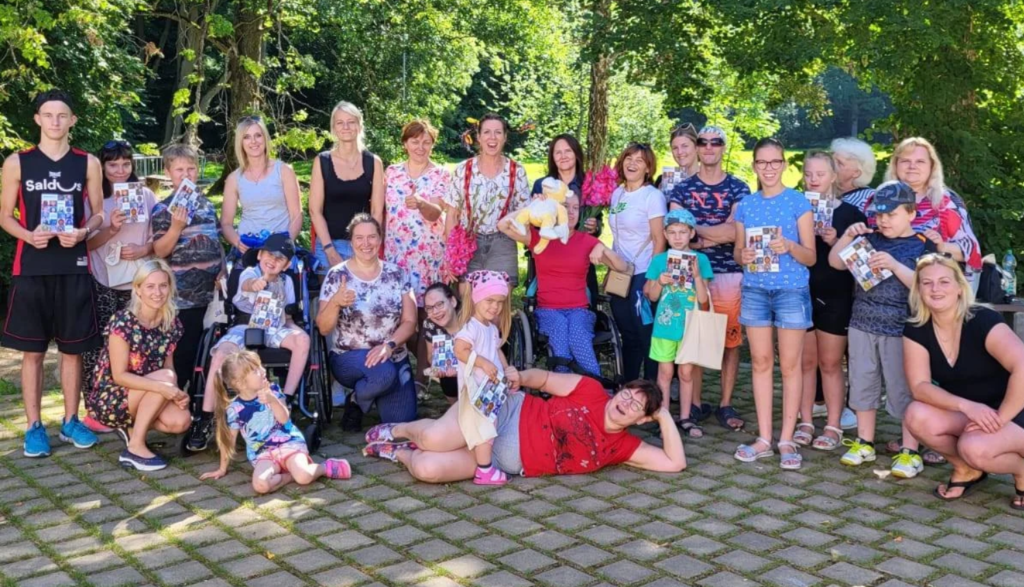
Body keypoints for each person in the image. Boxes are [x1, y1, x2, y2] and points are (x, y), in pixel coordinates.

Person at [0, 90, 105, 457]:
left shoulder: (88, 163)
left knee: (72, 350)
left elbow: (98, 214)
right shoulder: (18, 162)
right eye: (48, 115)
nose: (55, 121)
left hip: (73, 266)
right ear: (37, 119)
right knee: (32, 352)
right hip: (32, 268)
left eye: (62, 115)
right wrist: (29, 235)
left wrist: (84, 231)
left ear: (72, 120)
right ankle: (33, 426)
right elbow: (4, 217)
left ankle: (71, 420)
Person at [361, 370, 685, 480]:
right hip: (505, 411)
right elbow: (543, 379)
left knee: (427, 469)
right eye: (627, 393)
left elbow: (675, 463)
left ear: (642, 419)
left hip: (499, 461)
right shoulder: (591, 390)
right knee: (433, 439)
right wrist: (519, 377)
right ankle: (400, 429)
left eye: (637, 406)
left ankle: (397, 452)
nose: (626, 403)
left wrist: (664, 415)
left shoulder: (624, 447)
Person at [827, 181, 938, 478]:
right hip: (862, 323)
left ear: (911, 213)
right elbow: (835, 262)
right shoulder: (869, 238)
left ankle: (910, 450)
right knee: (862, 383)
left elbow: (927, 286)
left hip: (902, 330)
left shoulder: (923, 245)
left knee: (903, 389)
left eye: (891, 214)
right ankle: (864, 442)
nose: (884, 220)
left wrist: (895, 266)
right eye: (879, 214)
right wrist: (847, 236)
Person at [902, 255, 1024, 507]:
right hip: (974, 411)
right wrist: (967, 407)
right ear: (918, 289)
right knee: (916, 415)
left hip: (1015, 408)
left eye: (944, 281)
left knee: (974, 447)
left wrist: (1000, 419)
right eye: (927, 283)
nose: (935, 289)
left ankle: (1021, 471)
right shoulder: (916, 328)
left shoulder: (982, 319)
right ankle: (967, 469)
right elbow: (920, 387)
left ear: (959, 287)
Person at [732, 138, 815, 470]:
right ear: (754, 166)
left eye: (774, 162)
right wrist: (743, 255)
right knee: (760, 363)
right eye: (762, 162)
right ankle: (765, 438)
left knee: (791, 366)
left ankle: (787, 439)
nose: (768, 168)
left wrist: (790, 246)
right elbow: (738, 252)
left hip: (791, 291)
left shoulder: (798, 202)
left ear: (784, 164)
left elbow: (811, 256)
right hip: (755, 290)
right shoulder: (746, 205)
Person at [186, 235, 310, 452]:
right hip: (245, 326)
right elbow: (247, 285)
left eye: (280, 258)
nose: (273, 260)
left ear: (286, 265)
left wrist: (300, 333)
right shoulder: (250, 273)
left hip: (275, 327)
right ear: (260, 255)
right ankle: (205, 417)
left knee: (303, 340)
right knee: (220, 355)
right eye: (270, 254)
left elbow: (289, 317)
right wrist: (259, 283)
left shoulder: (287, 282)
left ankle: (286, 400)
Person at [668, 126, 750, 431]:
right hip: (691, 274)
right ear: (697, 147)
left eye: (716, 142)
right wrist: (717, 232)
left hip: (728, 273)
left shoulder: (739, 188)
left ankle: (725, 404)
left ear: (724, 147)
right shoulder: (681, 189)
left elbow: (735, 233)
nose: (709, 147)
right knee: (695, 338)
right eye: (703, 142)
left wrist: (695, 231)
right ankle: (695, 403)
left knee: (730, 341)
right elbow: (676, 231)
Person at [498, 185, 627, 376]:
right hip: (548, 310)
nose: (571, 212)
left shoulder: (587, 241)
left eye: (576, 208)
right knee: (559, 333)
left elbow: (622, 267)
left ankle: (593, 384)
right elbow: (503, 225)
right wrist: (532, 207)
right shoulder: (539, 238)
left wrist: (604, 249)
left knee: (577, 336)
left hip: (579, 310)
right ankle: (563, 384)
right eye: (566, 207)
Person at [80, 140, 158, 433]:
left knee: (137, 346)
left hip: (138, 284)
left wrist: (143, 249)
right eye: (113, 165)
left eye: (126, 164)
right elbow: (86, 244)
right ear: (102, 167)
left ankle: (134, 405)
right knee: (99, 345)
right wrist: (111, 229)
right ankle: (96, 409)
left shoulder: (146, 195)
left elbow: (160, 238)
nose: (120, 170)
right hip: (103, 280)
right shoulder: (95, 199)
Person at [86, 260, 190, 471]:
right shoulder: (123, 322)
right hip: (112, 395)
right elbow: (119, 376)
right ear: (138, 289)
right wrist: (164, 387)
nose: (157, 292)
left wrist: (176, 393)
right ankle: (135, 447)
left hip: (150, 390)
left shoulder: (171, 323)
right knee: (166, 379)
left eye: (163, 285)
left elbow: (169, 366)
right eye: (150, 286)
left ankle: (132, 429)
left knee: (181, 421)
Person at [317, 214, 417, 431]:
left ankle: (364, 397)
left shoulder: (397, 274)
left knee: (401, 424)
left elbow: (410, 321)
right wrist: (335, 302)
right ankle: (363, 395)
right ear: (351, 241)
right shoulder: (337, 275)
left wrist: (389, 345)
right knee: (383, 373)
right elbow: (323, 328)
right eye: (359, 238)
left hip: (392, 355)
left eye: (371, 237)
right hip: (349, 357)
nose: (366, 243)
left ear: (380, 239)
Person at [199, 350, 352, 492]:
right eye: (255, 370)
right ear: (240, 383)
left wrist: (272, 400)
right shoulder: (235, 409)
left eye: (260, 366)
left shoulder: (273, 390)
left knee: (304, 477)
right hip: (263, 454)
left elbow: (284, 419)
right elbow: (229, 440)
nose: (263, 371)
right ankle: (290, 475)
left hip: (289, 444)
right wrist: (222, 468)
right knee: (260, 485)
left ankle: (325, 467)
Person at [800, 152, 865, 451]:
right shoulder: (795, 208)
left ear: (834, 177)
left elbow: (861, 265)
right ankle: (805, 422)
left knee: (830, 363)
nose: (814, 180)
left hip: (836, 296)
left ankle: (834, 425)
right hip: (799, 293)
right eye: (808, 174)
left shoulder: (851, 214)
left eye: (820, 174)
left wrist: (835, 241)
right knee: (805, 363)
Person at [383, 119, 452, 393]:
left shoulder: (441, 175)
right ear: (405, 143)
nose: (420, 147)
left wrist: (423, 204)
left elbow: (437, 213)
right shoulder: (391, 173)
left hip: (428, 255)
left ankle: (421, 379)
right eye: (415, 141)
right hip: (397, 255)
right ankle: (426, 361)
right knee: (402, 315)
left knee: (428, 314)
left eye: (426, 142)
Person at [151, 144, 225, 391]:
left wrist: (223, 269)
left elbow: (216, 241)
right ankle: (180, 399)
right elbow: (160, 251)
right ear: (168, 173)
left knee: (208, 353)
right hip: (182, 299)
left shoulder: (207, 205)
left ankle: (203, 401)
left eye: (191, 169)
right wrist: (176, 227)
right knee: (184, 354)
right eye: (179, 170)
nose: (186, 175)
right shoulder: (162, 209)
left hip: (211, 296)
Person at [868, 137, 981, 276]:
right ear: (895, 165)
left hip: (932, 281)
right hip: (881, 280)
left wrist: (941, 246)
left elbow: (971, 251)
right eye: (905, 161)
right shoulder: (878, 197)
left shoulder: (946, 202)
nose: (912, 166)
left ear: (932, 166)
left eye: (920, 161)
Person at [447, 270, 520, 485]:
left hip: (489, 390)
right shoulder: (471, 328)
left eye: (500, 302)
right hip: (477, 390)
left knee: (489, 425)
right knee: (485, 430)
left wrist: (506, 370)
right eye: (490, 301)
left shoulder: (490, 328)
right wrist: (482, 362)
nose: (495, 307)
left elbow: (496, 351)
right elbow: (460, 350)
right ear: (476, 299)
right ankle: (484, 469)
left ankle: (483, 463)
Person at [644, 209, 712, 437]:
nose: (677, 237)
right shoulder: (659, 260)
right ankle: (663, 417)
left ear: (691, 233)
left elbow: (703, 300)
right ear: (665, 234)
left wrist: (698, 277)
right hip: (664, 327)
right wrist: (660, 282)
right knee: (664, 373)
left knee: (686, 373)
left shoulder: (701, 260)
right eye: (672, 232)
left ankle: (686, 417)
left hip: (690, 327)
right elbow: (653, 297)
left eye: (683, 232)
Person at [443, 113, 530, 284]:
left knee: (499, 296)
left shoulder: (516, 171)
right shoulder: (463, 170)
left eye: (498, 132)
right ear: (479, 137)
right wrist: (450, 255)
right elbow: (452, 215)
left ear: (505, 137)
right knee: (468, 297)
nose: (492, 137)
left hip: (503, 243)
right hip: (468, 243)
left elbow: (524, 215)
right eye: (487, 132)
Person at [608, 142, 666, 381]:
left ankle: (652, 390)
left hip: (643, 273)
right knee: (627, 335)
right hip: (620, 274)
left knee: (645, 334)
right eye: (628, 158)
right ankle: (629, 387)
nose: (632, 163)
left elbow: (659, 240)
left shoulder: (652, 196)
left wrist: (652, 279)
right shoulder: (617, 193)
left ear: (648, 168)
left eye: (639, 160)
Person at [309, 101, 385, 272]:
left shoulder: (373, 162)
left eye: (351, 122)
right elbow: (314, 211)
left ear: (359, 126)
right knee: (330, 290)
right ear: (333, 128)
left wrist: (369, 245)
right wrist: (329, 250)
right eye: (340, 123)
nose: (346, 127)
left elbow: (377, 212)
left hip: (363, 246)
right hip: (328, 245)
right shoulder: (322, 161)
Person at [220, 116, 302, 258]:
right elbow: (226, 223)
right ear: (240, 142)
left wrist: (285, 245)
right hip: (248, 248)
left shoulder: (284, 171)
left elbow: (297, 215)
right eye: (247, 137)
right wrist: (237, 242)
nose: (253, 141)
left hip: (280, 248)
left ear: (265, 138)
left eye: (258, 135)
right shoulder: (234, 179)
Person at [421, 283, 461, 405]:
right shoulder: (429, 324)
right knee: (448, 379)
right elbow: (430, 356)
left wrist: (461, 369)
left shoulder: (470, 319)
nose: (435, 312)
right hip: (450, 374)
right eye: (429, 308)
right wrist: (438, 366)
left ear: (453, 301)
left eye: (439, 304)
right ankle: (456, 407)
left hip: (478, 368)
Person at [830, 138, 877, 213]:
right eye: (831, 160)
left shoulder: (871, 199)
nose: (830, 165)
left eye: (839, 163)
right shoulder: (821, 190)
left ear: (856, 173)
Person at [655, 123, 701, 195]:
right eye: (675, 148)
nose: (680, 152)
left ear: (697, 148)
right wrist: (658, 195)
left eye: (685, 146)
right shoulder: (662, 180)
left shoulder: (711, 180)